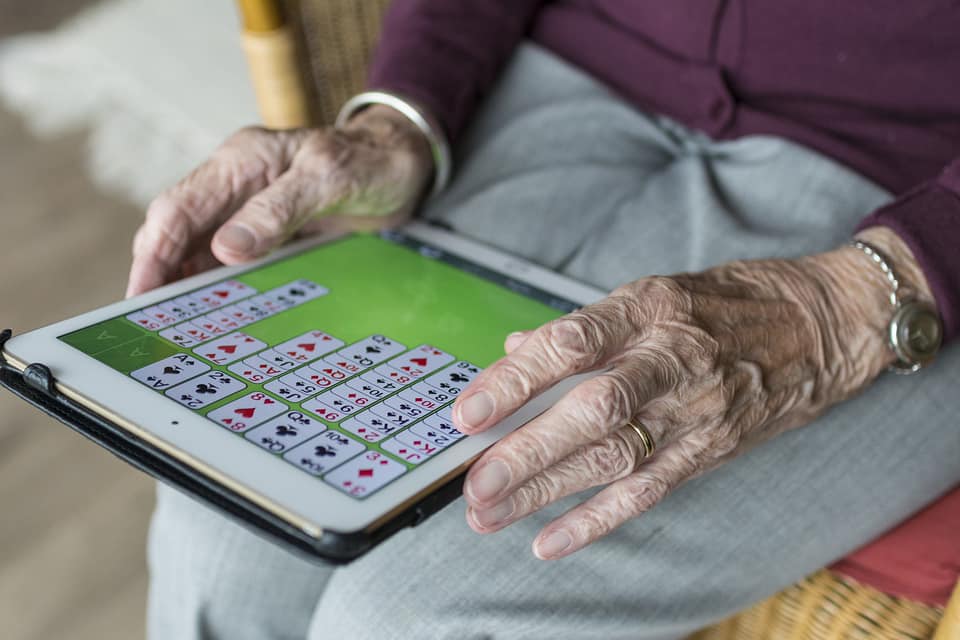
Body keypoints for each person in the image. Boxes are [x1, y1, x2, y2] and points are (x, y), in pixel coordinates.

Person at [129, 2, 960, 638]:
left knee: (409, 619)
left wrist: (843, 305)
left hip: (898, 190)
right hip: (563, 79)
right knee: (227, 535)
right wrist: (399, 120)